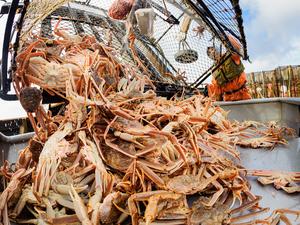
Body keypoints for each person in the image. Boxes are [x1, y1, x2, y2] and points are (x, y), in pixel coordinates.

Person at [206, 34, 252, 101]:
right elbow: (217, 89)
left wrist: (223, 35)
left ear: (218, 49)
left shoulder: (231, 56)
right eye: (209, 52)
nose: (212, 52)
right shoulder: (214, 70)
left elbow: (237, 47)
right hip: (228, 99)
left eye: (213, 49)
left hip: (243, 95)